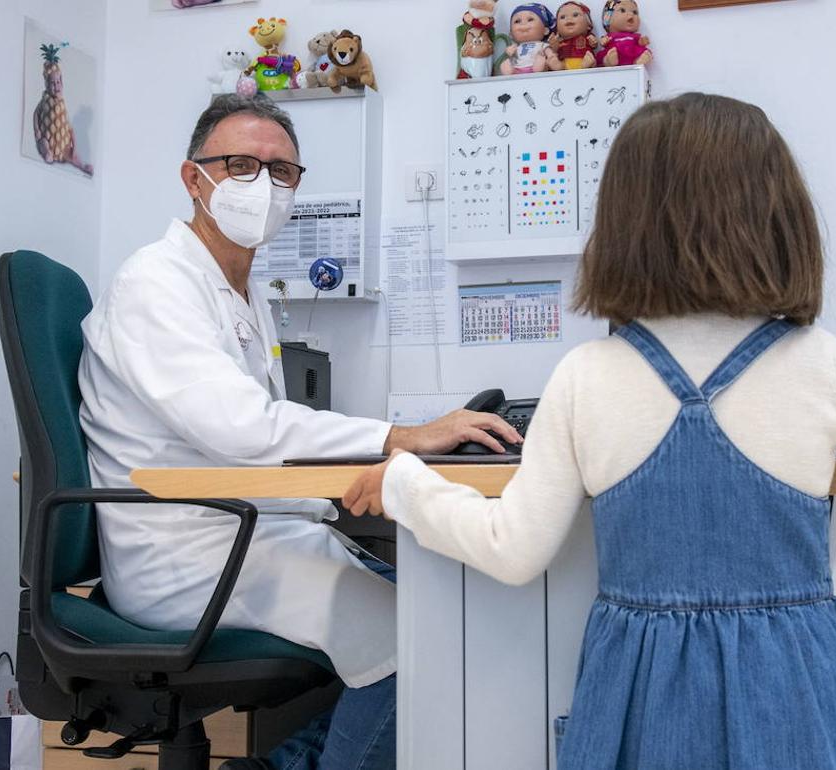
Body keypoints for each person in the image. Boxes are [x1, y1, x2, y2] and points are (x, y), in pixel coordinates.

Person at [343, 93, 836, 769]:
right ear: (779, 217)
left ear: (624, 225)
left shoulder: (588, 376)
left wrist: (407, 486)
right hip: (796, 684)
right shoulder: (820, 363)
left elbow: (513, 549)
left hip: (643, 694)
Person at [78, 93, 521, 769]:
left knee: (441, 607)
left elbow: (257, 437)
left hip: (246, 531)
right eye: (240, 164)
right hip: (187, 554)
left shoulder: (247, 291)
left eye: (281, 171)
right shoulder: (155, 283)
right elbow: (242, 429)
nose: (263, 184)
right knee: (419, 643)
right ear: (193, 178)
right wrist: (401, 437)